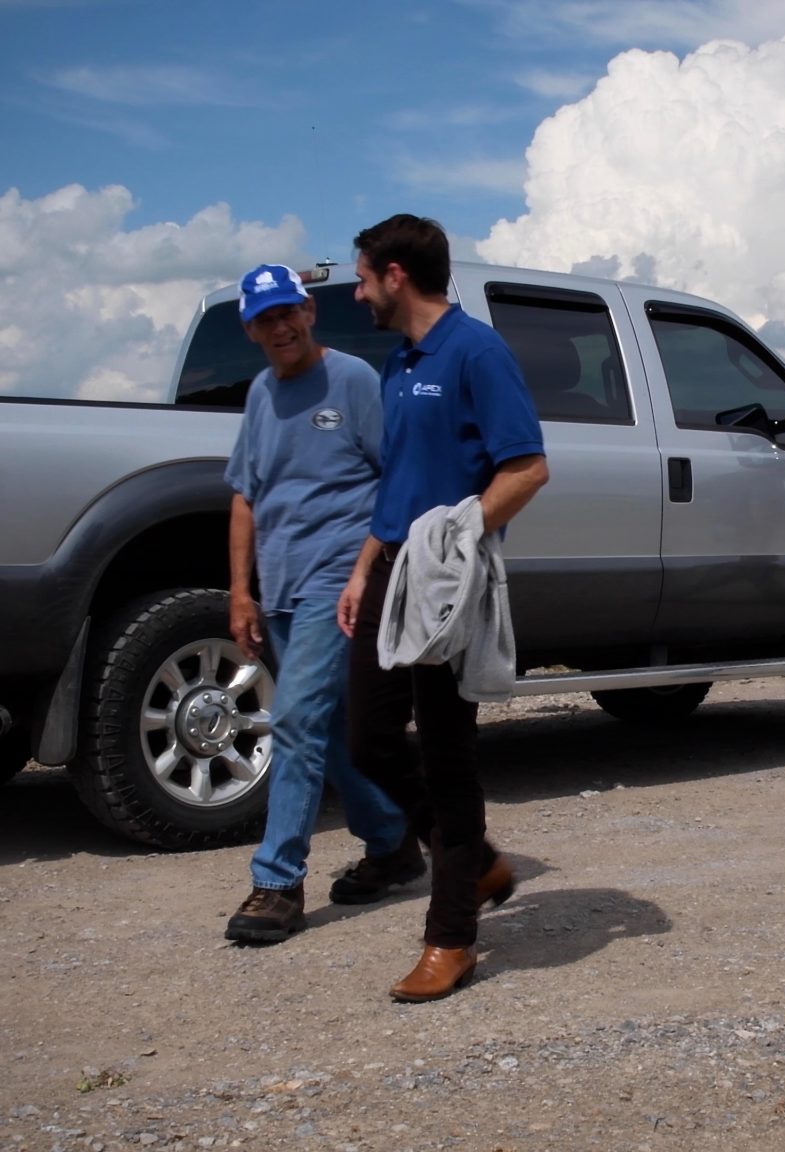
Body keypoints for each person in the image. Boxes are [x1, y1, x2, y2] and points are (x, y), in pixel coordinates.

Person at [336, 215, 550, 1002]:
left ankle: (451, 937)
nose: (357, 293)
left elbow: (527, 469)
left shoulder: (476, 352)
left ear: (396, 274)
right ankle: (479, 860)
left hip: (446, 581)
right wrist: (365, 568)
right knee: (366, 740)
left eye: (362, 278)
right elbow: (396, 486)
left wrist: (458, 540)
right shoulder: (400, 363)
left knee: (448, 753)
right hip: (392, 572)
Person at [222, 263, 423, 944]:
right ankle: (394, 841)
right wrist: (242, 592)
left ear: (308, 311)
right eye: (264, 318)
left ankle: (277, 883)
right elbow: (245, 496)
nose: (279, 327)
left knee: (297, 723)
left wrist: (366, 572)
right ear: (250, 329)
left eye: (288, 312)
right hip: (278, 585)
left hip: (336, 582)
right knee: (331, 730)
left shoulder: (353, 381)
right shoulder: (258, 393)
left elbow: (395, 481)